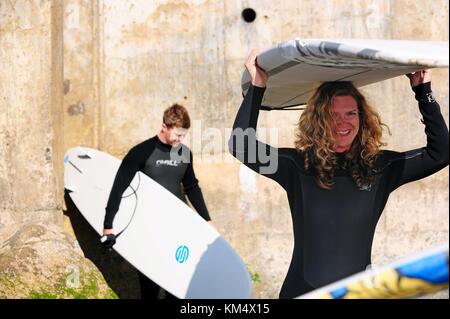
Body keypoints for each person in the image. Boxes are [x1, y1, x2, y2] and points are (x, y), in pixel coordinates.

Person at [228, 49, 449, 299]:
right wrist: (258, 85)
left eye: (350, 114)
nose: (342, 123)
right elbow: (241, 145)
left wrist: (423, 92)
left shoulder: (381, 167)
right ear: (318, 120)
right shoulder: (298, 165)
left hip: (358, 294)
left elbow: (440, 153)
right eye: (332, 115)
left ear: (362, 119)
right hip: (302, 293)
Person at [102, 103, 212, 299]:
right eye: (177, 134)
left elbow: (192, 187)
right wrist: (108, 225)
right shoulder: (141, 152)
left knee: (177, 286)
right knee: (150, 289)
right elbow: (119, 187)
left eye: (183, 135)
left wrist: (207, 220)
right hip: (148, 229)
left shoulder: (184, 154)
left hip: (178, 229)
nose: (180, 139)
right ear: (164, 127)